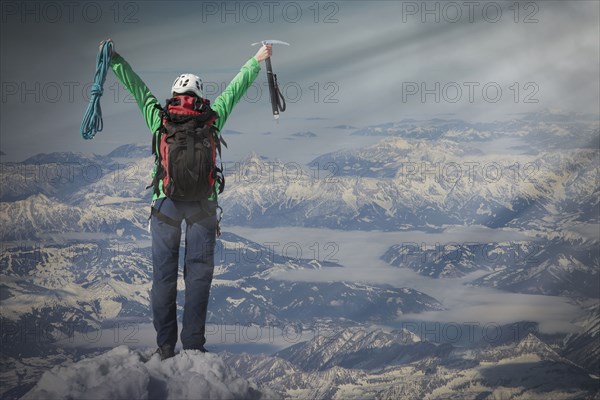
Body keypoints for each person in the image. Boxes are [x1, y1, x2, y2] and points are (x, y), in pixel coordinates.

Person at [105, 38, 272, 360]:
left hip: (165, 206)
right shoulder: (212, 117)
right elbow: (236, 88)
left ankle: (165, 346)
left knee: (163, 280)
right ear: (200, 95)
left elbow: (136, 88)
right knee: (198, 279)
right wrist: (257, 59)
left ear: (175, 95)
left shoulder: (160, 118)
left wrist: (113, 59)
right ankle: (193, 345)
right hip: (203, 209)